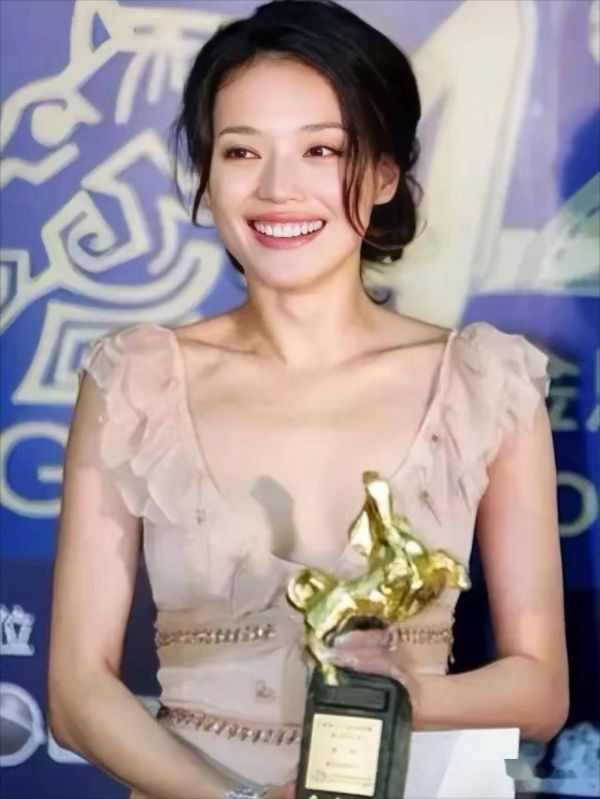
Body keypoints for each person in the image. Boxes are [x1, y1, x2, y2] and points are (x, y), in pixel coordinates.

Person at [47, 1, 569, 798]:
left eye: (322, 150)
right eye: (240, 151)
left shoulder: (483, 383)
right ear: (206, 176)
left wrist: (410, 692)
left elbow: (540, 688)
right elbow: (76, 691)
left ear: (385, 174)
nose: (278, 188)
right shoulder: (134, 379)